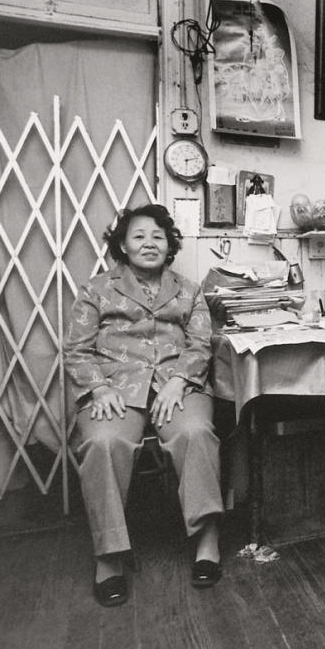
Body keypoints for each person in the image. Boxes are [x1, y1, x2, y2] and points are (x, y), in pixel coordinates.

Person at [64, 203, 224, 607]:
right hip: (115, 387)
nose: (149, 243)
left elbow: (202, 342)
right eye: (138, 235)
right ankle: (109, 556)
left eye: (158, 235)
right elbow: (75, 350)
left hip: (177, 383)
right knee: (103, 444)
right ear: (122, 244)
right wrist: (99, 389)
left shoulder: (188, 289)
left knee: (196, 433)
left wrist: (178, 380)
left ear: (170, 244)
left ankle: (207, 540)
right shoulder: (96, 289)